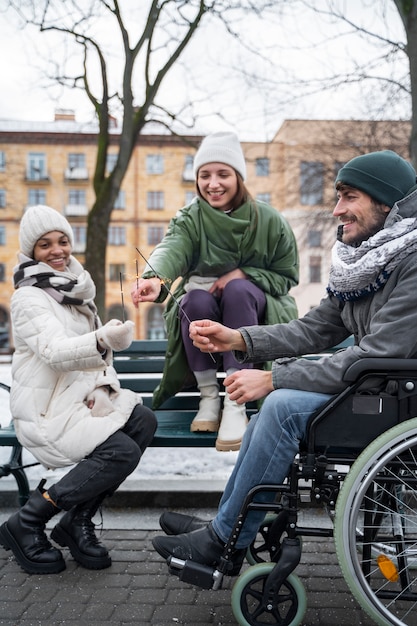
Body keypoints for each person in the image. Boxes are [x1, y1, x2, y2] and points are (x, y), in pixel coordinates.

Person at [151, 149, 417, 572]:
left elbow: (378, 356)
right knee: (272, 412)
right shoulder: (367, 260)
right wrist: (238, 338)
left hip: (398, 400)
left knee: (281, 407)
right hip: (376, 390)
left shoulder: (411, 262)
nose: (336, 210)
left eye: (349, 197)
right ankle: (228, 522)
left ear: (387, 203)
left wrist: (274, 379)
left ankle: (224, 541)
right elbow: (313, 329)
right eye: (337, 197)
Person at [0, 204, 157, 575]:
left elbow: (99, 363)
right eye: (45, 245)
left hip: (77, 401)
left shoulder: (76, 292)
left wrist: (103, 388)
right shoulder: (28, 298)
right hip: (45, 410)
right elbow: (55, 352)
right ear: (30, 252)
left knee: (143, 422)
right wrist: (102, 339)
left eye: (63, 241)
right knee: (119, 452)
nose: (57, 251)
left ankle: (77, 520)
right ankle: (28, 520)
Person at [131, 131, 299, 452]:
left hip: (254, 314)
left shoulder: (269, 220)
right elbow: (172, 247)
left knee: (237, 290)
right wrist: (155, 278)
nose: (213, 183)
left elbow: (286, 277)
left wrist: (244, 273)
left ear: (238, 177)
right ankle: (209, 398)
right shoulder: (190, 218)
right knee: (193, 297)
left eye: (223, 174)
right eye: (204, 175)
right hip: (203, 312)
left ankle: (235, 404)